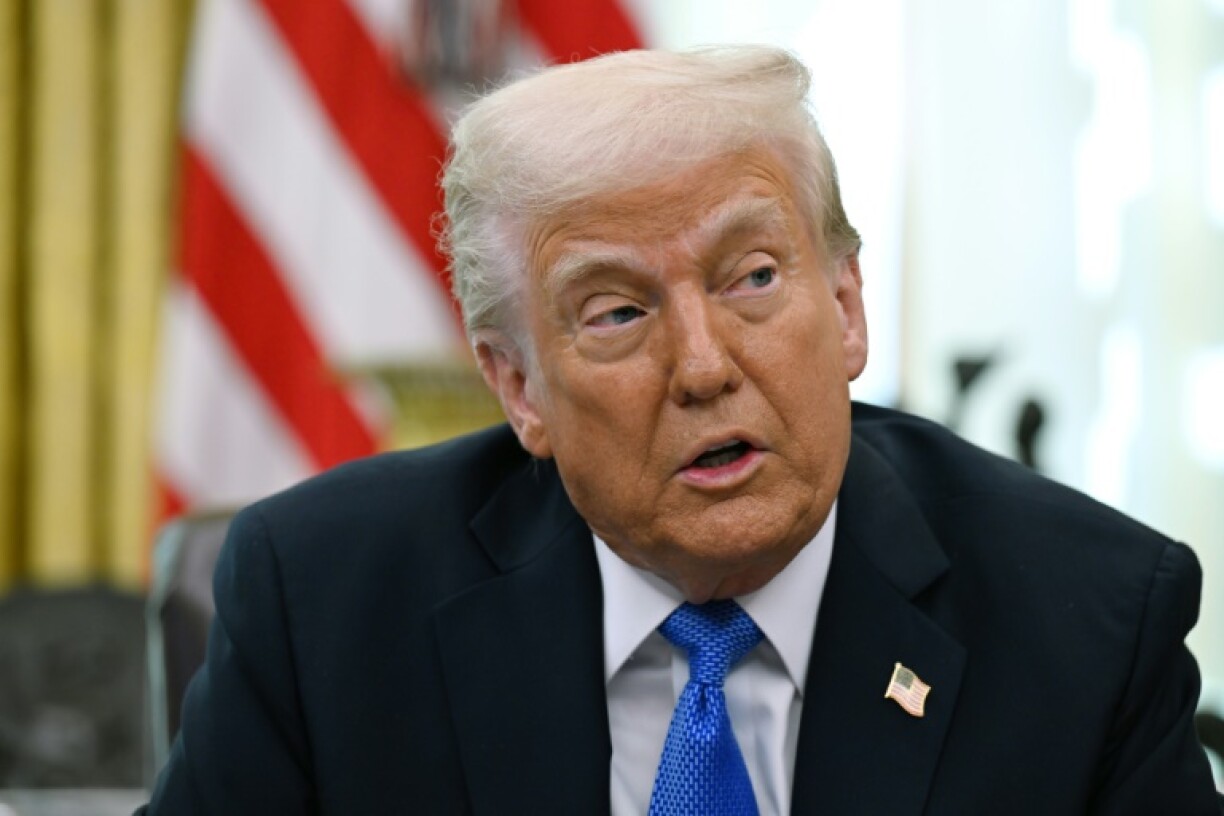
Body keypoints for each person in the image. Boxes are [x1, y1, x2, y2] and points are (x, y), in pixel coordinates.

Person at [140, 45, 1222, 814]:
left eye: (753, 277)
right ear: (519, 388)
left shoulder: (1086, 621)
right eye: (617, 312)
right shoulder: (323, 599)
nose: (704, 368)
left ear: (846, 308)